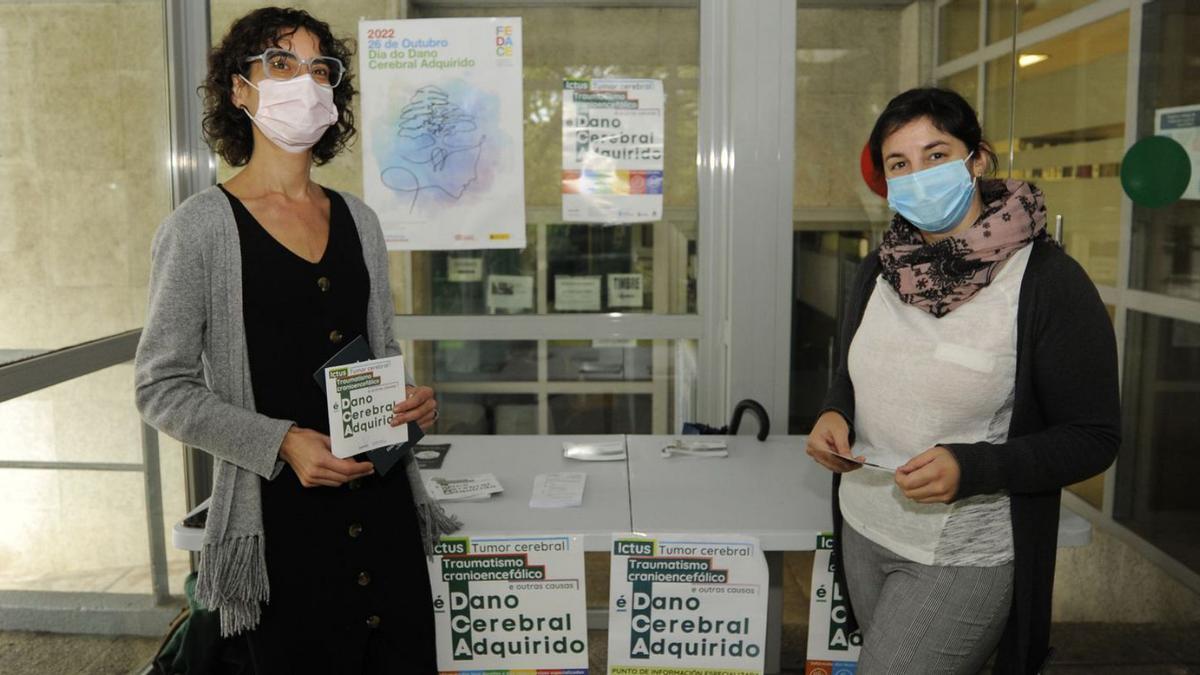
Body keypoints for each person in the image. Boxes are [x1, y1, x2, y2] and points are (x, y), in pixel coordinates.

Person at [134, 8, 458, 673]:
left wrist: (410, 404)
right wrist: (280, 440)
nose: (304, 82)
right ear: (239, 89)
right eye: (280, 64)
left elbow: (378, 354)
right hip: (281, 525)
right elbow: (160, 388)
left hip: (384, 506)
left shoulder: (359, 220)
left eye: (320, 69)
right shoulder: (199, 229)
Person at [805, 87, 1119, 674]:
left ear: (976, 159)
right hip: (864, 530)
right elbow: (857, 372)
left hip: (962, 554)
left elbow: (1094, 435)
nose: (918, 175)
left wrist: (975, 467)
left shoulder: (1047, 281)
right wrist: (834, 412)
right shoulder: (880, 267)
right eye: (900, 164)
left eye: (936, 154)